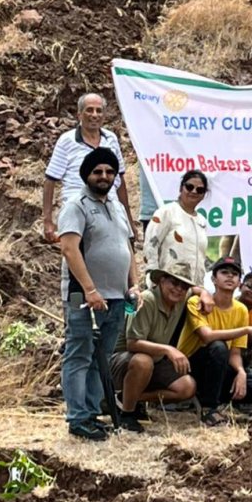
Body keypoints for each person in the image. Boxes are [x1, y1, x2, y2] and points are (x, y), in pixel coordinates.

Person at [58, 148, 139, 441]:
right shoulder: (75, 205)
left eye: (109, 172)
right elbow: (68, 248)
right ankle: (78, 418)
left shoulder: (116, 206)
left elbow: (127, 246)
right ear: (87, 175)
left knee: (101, 357)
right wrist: (90, 289)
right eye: (97, 172)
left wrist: (134, 283)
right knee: (79, 354)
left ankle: (92, 413)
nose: (103, 177)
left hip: (117, 297)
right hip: (85, 297)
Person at [177, 256, 252, 426]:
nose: (230, 276)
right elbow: (207, 336)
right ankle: (209, 408)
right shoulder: (196, 302)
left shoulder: (240, 310)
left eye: (234, 274)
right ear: (214, 279)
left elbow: (236, 352)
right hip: (192, 364)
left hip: (220, 365)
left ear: (239, 283)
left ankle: (209, 395)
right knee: (218, 346)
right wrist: (247, 329)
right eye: (224, 272)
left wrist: (241, 372)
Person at [109, 263, 197, 433]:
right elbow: (133, 343)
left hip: (154, 362)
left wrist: (205, 294)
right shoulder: (147, 299)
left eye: (183, 286)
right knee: (143, 361)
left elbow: (197, 290)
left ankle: (125, 398)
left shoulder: (181, 299)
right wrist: (168, 350)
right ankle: (127, 414)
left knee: (187, 387)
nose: (178, 289)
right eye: (174, 283)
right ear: (161, 281)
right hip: (123, 360)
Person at [44, 93, 136, 242]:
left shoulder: (111, 139)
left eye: (99, 111)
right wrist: (48, 221)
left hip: (110, 209)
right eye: (89, 110)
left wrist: (129, 220)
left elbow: (119, 180)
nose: (94, 115)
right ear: (79, 114)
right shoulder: (67, 141)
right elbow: (50, 180)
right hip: (78, 211)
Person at [144, 170, 210, 288]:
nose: (194, 191)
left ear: (204, 194)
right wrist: (153, 279)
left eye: (200, 190)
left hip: (194, 289)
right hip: (168, 286)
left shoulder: (202, 221)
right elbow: (151, 245)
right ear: (181, 188)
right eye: (189, 187)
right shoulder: (166, 212)